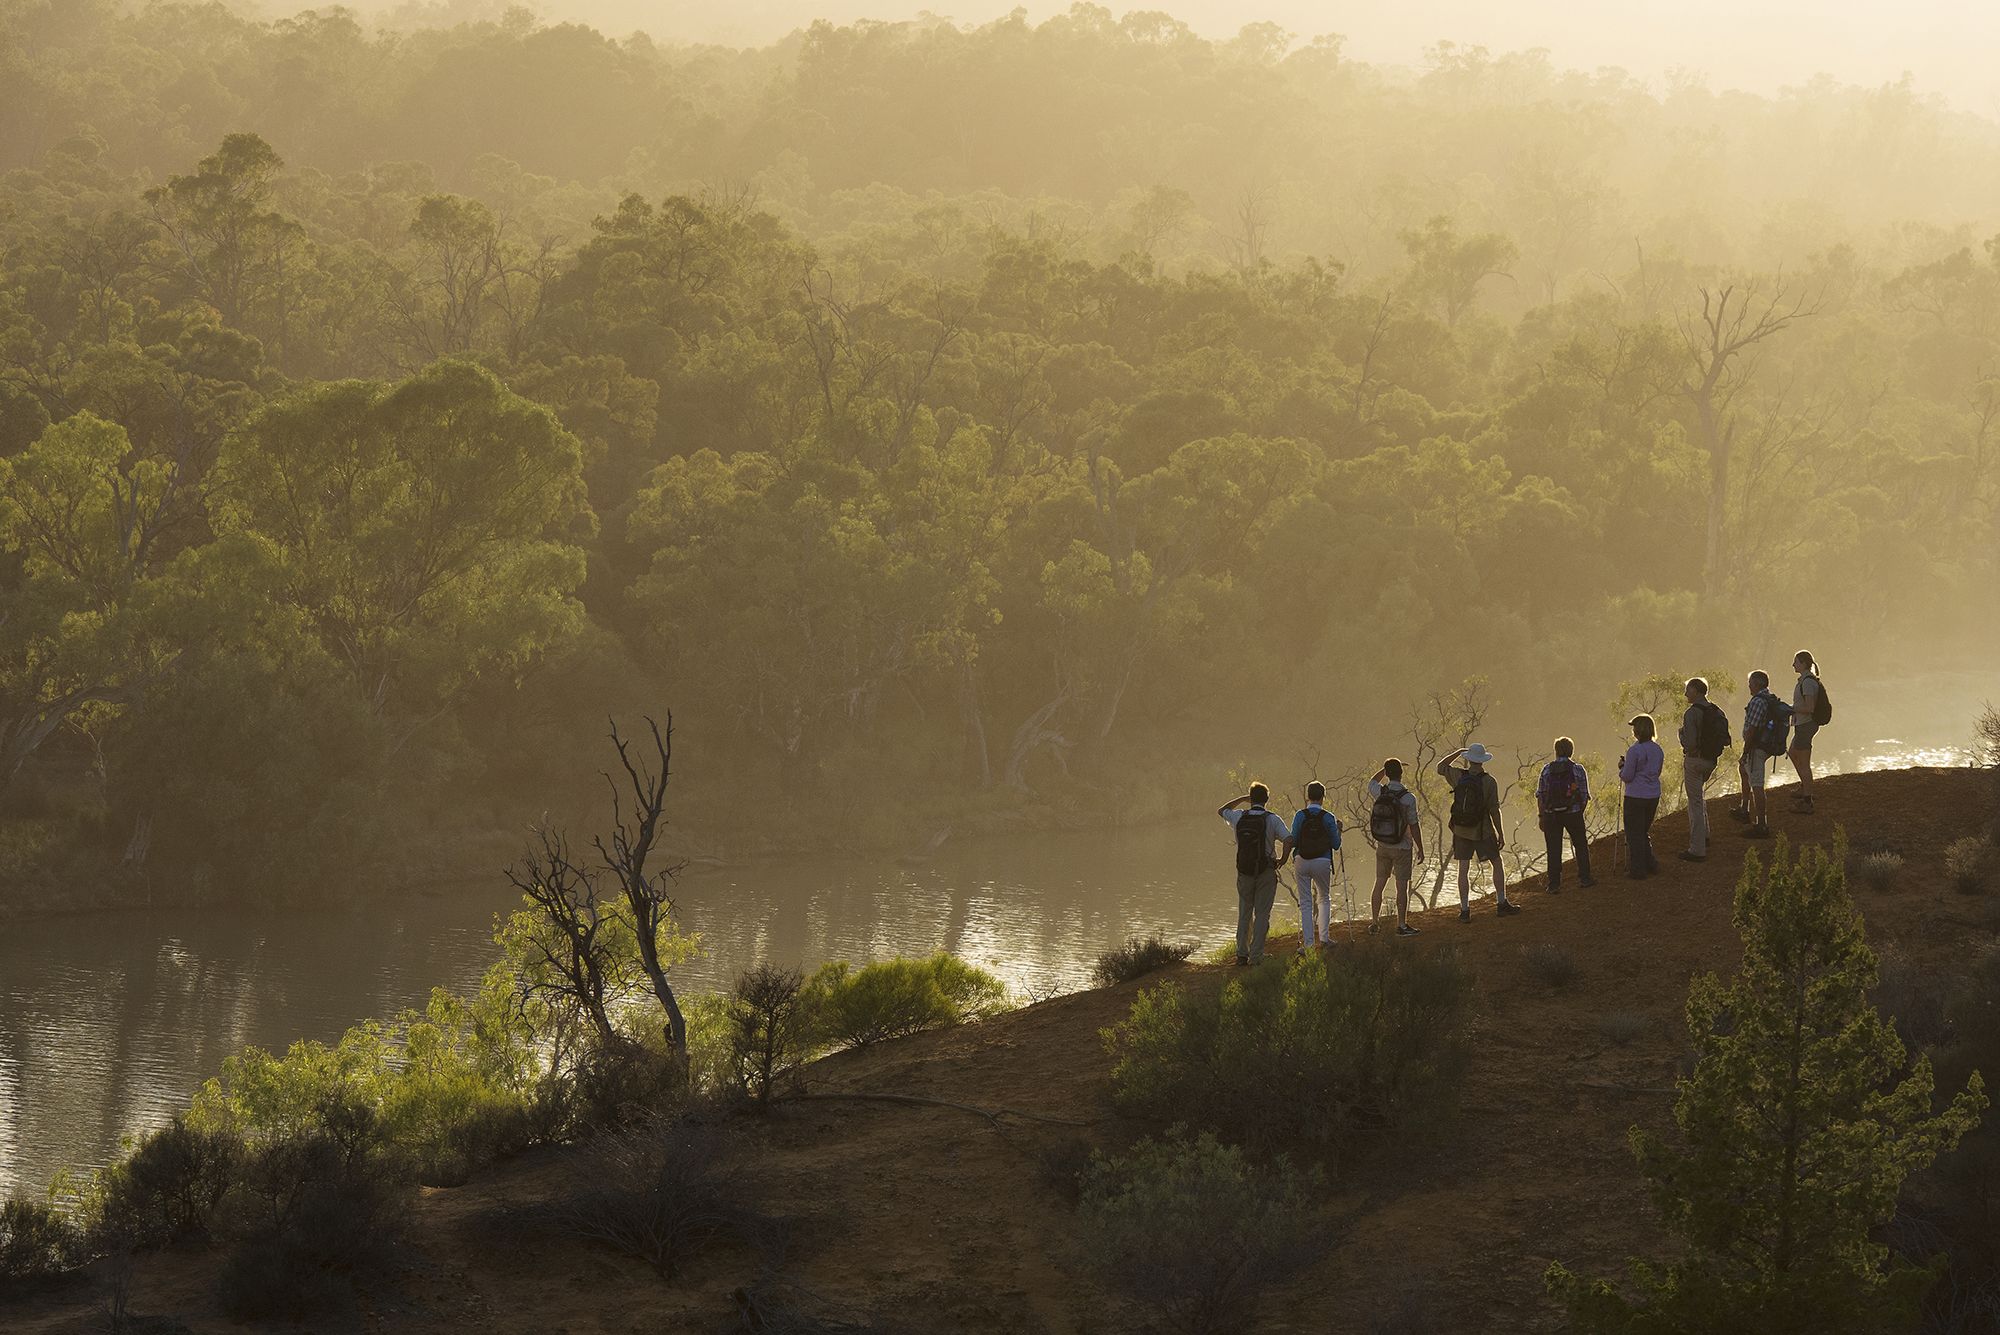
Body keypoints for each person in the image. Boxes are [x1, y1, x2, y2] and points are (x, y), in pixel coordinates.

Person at [1438, 744, 1518, 920]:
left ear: (1469, 759)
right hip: (1482, 830)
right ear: (1482, 761)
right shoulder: (1489, 782)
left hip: (1460, 830)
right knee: (1496, 862)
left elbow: (1440, 767)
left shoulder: (1458, 776)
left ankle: (1465, 910)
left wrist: (1458, 752)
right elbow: (1494, 810)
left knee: (1463, 868)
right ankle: (1501, 902)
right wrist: (1501, 833)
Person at [1219, 783, 1289, 965]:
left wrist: (1242, 799)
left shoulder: (1239, 816)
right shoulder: (1273, 819)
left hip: (1244, 872)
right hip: (1265, 871)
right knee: (1262, 913)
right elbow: (1288, 839)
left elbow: (1222, 810)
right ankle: (1256, 956)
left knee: (1244, 912)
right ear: (1266, 800)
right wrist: (1283, 859)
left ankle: (1242, 954)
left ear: (1251, 799)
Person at [1365, 760, 1425, 936]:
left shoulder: (1380, 792)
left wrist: (1384, 769)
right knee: (1402, 887)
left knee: (1379, 883)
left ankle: (1375, 923)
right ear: (1401, 773)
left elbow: (1371, 782)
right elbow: (1414, 825)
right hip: (1402, 847)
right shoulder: (1408, 798)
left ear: (1388, 774)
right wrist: (1420, 847)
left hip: (1383, 845)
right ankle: (1401, 925)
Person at [1676, 676, 1731, 863]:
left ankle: (1697, 849)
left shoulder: (1691, 714)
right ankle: (1704, 835)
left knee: (1695, 803)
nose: (1685, 694)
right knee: (1699, 796)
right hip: (1711, 760)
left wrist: (1681, 736)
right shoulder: (1717, 711)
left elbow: (1690, 744)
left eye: (1688, 690)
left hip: (1694, 761)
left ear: (1697, 691)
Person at [1733, 670, 1791, 839]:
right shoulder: (1769, 698)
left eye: (1750, 682)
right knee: (1743, 770)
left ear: (1757, 684)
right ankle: (1744, 808)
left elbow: (1752, 729)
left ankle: (1761, 824)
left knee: (1757, 784)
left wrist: (1745, 751)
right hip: (1763, 746)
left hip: (1757, 747)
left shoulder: (1758, 701)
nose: (1749, 685)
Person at [1287, 781, 1342, 948]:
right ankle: (1324, 939)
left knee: (1305, 903)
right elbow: (1336, 844)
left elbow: (1294, 840)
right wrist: (1339, 829)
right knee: (1324, 898)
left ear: (1307, 796)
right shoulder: (1328, 817)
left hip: (1302, 860)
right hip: (1322, 860)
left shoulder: (1300, 815)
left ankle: (1308, 944)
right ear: (1323, 797)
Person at [1536, 738, 1594, 892]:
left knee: (1553, 849)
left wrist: (1541, 816)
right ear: (1571, 751)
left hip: (1551, 814)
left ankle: (1554, 884)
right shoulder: (1578, 769)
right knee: (1581, 845)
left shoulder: (1546, 770)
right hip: (1573, 813)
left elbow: (1541, 795)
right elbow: (1583, 794)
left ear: (1556, 751)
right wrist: (1577, 811)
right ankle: (1585, 878)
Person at [1618, 714, 1665, 878]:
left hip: (1635, 795)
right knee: (1643, 830)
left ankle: (1638, 869)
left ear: (1638, 730)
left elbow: (1628, 776)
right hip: (1652, 794)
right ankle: (1651, 863)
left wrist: (1621, 769)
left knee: (1633, 833)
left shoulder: (1634, 750)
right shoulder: (1658, 749)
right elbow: (1658, 772)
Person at [1788, 650, 1826, 814]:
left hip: (1806, 725)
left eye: (1796, 661)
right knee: (1793, 753)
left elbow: (1809, 708)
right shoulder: (1804, 680)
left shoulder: (1808, 683)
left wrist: (1791, 709)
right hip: (1802, 725)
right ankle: (1805, 786)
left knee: (1803, 762)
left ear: (1803, 663)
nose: (1793, 665)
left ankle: (1807, 800)